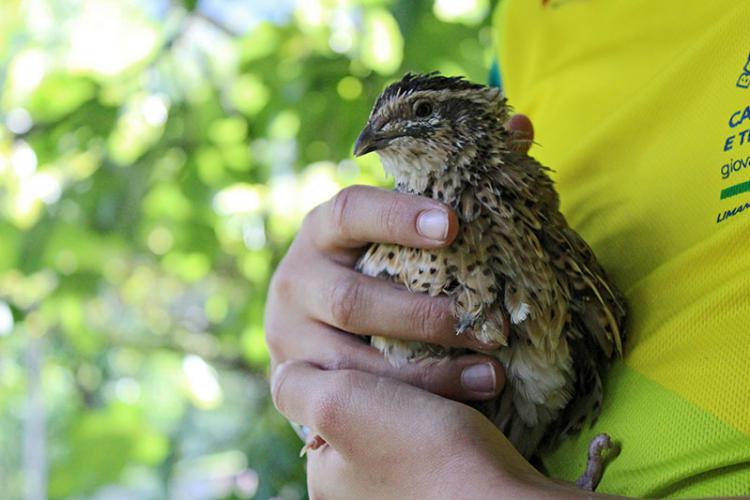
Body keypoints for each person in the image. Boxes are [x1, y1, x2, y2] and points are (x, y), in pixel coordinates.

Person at [265, 0, 750, 497]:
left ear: (471, 126)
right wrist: (319, 355)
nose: (382, 133)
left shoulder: (537, 233)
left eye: (424, 113)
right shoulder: (520, 25)